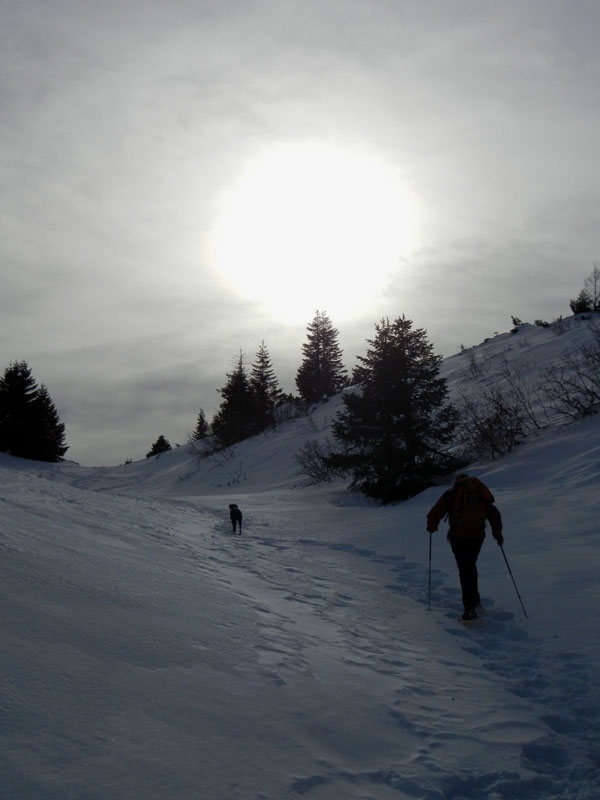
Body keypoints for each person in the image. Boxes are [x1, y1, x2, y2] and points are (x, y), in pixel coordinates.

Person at [426, 474, 503, 621]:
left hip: (459, 537)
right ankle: (475, 601)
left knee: (465, 570)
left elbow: (434, 513)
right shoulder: (480, 492)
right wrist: (497, 534)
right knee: (470, 566)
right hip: (477, 537)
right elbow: (494, 514)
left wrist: (431, 527)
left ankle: (470, 608)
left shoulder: (452, 493)